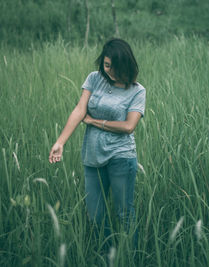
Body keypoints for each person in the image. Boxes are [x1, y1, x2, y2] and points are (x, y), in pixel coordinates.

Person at [49, 38, 146, 249]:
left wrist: (95, 122)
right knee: (95, 215)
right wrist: (60, 142)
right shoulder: (94, 78)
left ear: (126, 65)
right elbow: (79, 109)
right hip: (92, 155)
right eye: (106, 64)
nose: (109, 70)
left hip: (121, 157)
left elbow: (129, 126)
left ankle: (131, 258)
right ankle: (106, 257)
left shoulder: (137, 91)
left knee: (124, 214)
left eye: (114, 67)